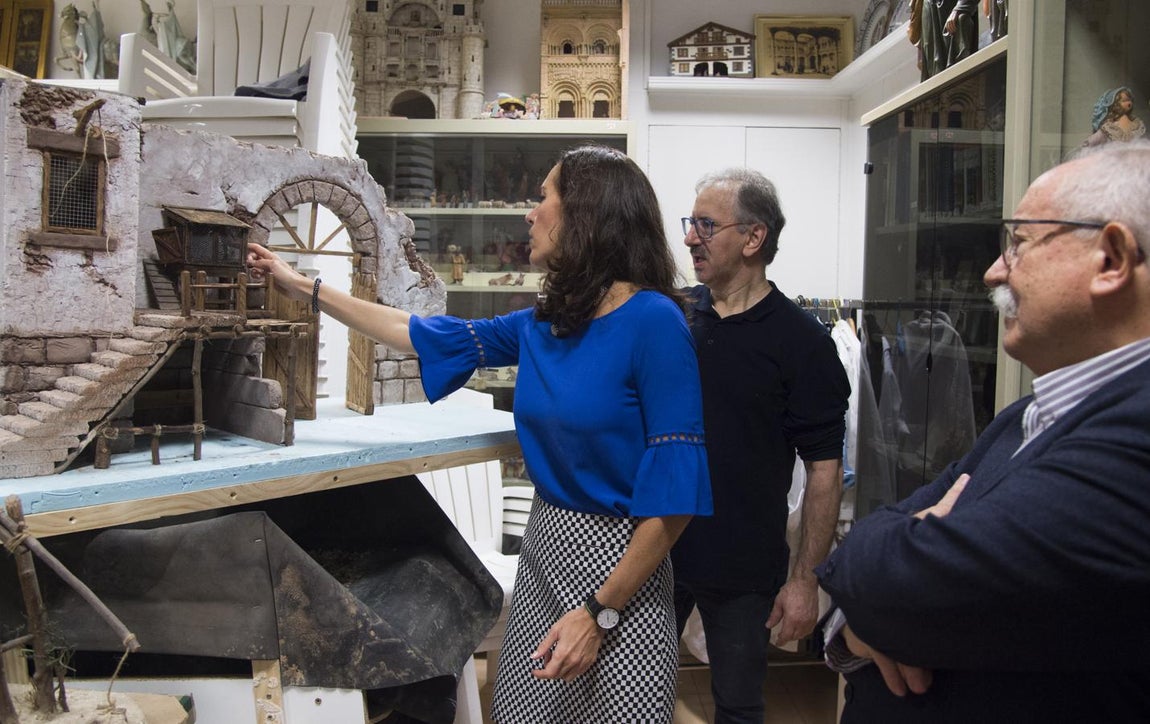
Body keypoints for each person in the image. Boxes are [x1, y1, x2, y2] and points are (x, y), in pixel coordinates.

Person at [247, 144, 713, 723]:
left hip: (622, 578)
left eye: (544, 197)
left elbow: (675, 501)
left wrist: (600, 612)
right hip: (545, 555)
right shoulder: (548, 323)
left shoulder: (654, 323)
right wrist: (303, 288)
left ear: (586, 214)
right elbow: (417, 332)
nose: (531, 213)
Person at [816, 140, 1150, 722]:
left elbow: (883, 580)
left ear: (1111, 258)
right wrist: (868, 602)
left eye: (1019, 243)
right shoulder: (1024, 417)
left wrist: (878, 584)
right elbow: (874, 565)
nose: (994, 270)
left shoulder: (1137, 436)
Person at [671, 168, 850, 723]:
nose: (690, 237)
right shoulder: (673, 317)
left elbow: (825, 470)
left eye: (706, 225)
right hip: (656, 549)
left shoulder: (803, 343)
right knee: (631, 694)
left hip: (744, 567)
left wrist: (805, 582)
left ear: (753, 237)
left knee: (739, 707)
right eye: (690, 222)